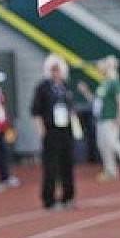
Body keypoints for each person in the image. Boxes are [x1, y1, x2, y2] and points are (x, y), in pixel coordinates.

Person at [79, 56, 120, 181]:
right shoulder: (103, 85)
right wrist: (86, 91)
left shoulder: (114, 83)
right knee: (103, 145)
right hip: (101, 118)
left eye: (101, 68)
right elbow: (95, 101)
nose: (99, 70)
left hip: (110, 118)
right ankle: (110, 170)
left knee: (113, 142)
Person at [31, 54, 78, 210]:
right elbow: (36, 111)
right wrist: (41, 130)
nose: (56, 73)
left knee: (67, 163)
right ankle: (49, 199)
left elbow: (71, 108)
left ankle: (68, 196)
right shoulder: (43, 87)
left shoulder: (65, 87)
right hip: (51, 130)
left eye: (58, 70)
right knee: (51, 166)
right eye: (53, 70)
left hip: (66, 129)